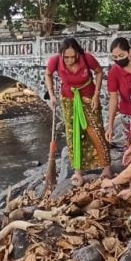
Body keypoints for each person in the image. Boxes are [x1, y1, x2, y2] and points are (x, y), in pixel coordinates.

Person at [45, 37, 112, 182]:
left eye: (72, 57)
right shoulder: (55, 60)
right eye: (66, 57)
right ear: (61, 54)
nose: (69, 60)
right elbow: (48, 74)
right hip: (69, 101)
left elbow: (99, 72)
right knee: (73, 134)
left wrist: (96, 95)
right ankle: (78, 171)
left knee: (96, 130)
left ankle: (106, 167)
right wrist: (51, 95)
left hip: (88, 98)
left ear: (77, 53)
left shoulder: (87, 58)